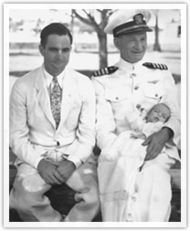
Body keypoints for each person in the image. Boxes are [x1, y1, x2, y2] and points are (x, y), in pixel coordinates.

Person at [92, 10, 180, 222]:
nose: (139, 46)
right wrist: (128, 153)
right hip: (119, 153)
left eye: (142, 39)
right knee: (122, 187)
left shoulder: (160, 73)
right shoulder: (102, 80)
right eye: (131, 40)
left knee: (152, 182)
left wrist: (164, 134)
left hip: (157, 150)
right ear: (117, 42)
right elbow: (103, 130)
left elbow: (176, 117)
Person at [9, 22, 99, 222]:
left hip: (74, 154)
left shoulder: (84, 84)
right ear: (41, 49)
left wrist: (73, 162)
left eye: (65, 50)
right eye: (53, 49)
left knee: (95, 196)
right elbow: (16, 137)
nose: (60, 56)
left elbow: (87, 135)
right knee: (24, 198)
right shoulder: (23, 85)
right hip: (36, 155)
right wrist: (39, 163)